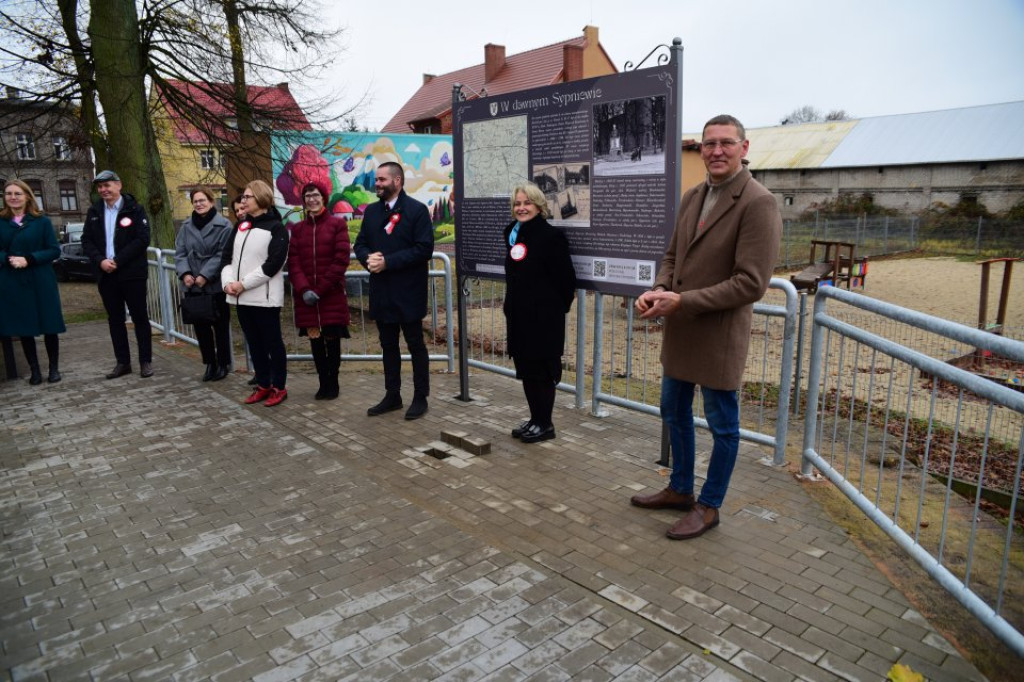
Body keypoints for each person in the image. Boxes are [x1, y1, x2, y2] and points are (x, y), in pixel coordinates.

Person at [630, 114, 782, 540]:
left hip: (717, 336)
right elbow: (673, 256)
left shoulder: (758, 203)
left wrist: (683, 301)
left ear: (744, 148)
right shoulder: (693, 195)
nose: (716, 151)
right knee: (673, 412)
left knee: (723, 427)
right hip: (681, 329)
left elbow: (750, 283)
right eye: (708, 144)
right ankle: (680, 489)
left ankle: (709, 505)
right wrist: (659, 289)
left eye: (725, 143)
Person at [354, 161, 434, 420]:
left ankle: (420, 396)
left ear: (397, 181)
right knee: (388, 345)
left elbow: (424, 249)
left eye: (381, 180)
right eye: (376, 180)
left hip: (409, 291)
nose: (376, 184)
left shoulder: (417, 211)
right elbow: (360, 243)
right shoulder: (372, 212)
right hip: (382, 291)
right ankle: (393, 395)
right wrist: (369, 258)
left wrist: (388, 262)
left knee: (415, 344)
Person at [503, 183, 576, 443]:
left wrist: (553, 309)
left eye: (527, 203)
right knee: (526, 369)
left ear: (539, 206)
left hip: (543, 319)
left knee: (542, 372)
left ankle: (545, 424)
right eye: (517, 203)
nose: (521, 208)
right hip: (519, 316)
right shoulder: (512, 234)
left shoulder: (550, 237)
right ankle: (535, 419)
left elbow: (566, 282)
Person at [220, 180, 289, 406]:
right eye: (243, 197)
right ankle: (263, 384)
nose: (243, 201)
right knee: (254, 344)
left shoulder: (276, 228)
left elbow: (273, 264)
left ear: (260, 198)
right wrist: (228, 282)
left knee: (272, 344)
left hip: (264, 299)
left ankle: (279, 387)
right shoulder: (240, 226)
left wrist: (243, 284)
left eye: (247, 197)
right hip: (241, 297)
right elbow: (227, 258)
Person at [80, 170, 154, 379]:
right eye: (100, 187)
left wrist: (118, 261)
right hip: (106, 275)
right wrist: (101, 261)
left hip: (132, 274)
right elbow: (86, 241)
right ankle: (123, 362)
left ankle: (145, 361)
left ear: (119, 185)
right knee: (115, 319)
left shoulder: (135, 209)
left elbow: (142, 239)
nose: (104, 190)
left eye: (107, 185)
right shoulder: (94, 212)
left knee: (140, 317)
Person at [288, 181, 351, 400]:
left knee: (332, 341)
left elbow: (341, 260)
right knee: (315, 341)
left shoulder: (337, 225)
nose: (311, 200)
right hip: (306, 298)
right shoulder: (297, 230)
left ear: (323, 198)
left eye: (315, 195)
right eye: (307, 196)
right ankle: (322, 382)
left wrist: (320, 290)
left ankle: (333, 382)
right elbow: (293, 262)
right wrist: (304, 289)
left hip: (330, 295)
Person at [0, 180, 66, 384]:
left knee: (49, 324)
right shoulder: (1, 221)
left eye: (17, 193)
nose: (13, 197)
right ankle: (35, 370)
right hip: (13, 279)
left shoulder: (41, 221)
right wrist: (8, 259)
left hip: (40, 278)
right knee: (24, 326)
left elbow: (54, 250)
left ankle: (53, 369)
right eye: (8, 193)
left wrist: (29, 259)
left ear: (27, 196)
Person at [174, 187, 234, 382]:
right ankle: (210, 362)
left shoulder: (224, 225)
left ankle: (224, 363)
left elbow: (222, 254)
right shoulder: (186, 226)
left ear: (211, 201)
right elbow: (180, 252)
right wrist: (185, 274)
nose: (199, 204)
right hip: (193, 285)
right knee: (201, 327)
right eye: (195, 201)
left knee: (220, 325)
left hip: (214, 283)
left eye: (202, 200)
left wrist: (204, 275)